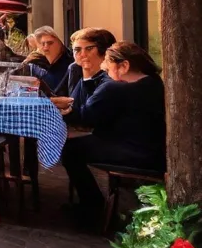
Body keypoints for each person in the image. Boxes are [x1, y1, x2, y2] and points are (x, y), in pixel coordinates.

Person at [61, 41, 166, 223]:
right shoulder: (154, 83)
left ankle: (92, 207)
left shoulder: (116, 88)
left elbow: (86, 117)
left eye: (108, 65)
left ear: (124, 66)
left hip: (133, 152)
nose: (104, 69)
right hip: (154, 152)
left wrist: (65, 110)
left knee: (70, 150)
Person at [50, 28, 116, 119]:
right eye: (77, 50)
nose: (83, 54)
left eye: (89, 48)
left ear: (105, 50)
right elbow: (57, 96)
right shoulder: (74, 69)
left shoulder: (112, 77)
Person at [24, 26, 74, 92]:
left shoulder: (70, 64)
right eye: (43, 44)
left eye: (50, 43)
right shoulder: (38, 61)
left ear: (59, 42)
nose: (46, 48)